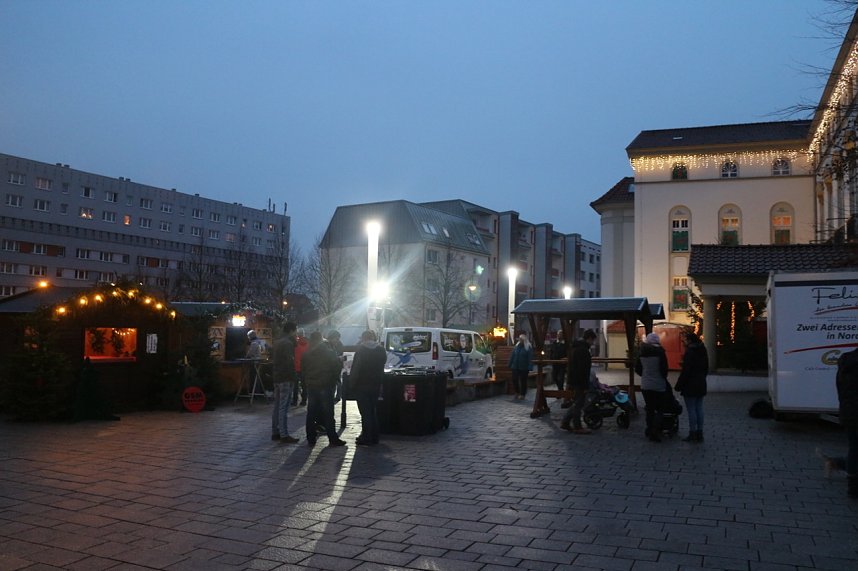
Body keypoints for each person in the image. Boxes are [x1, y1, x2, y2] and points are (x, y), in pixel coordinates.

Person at [819, 348, 858, 498]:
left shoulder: (846, 361)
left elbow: (840, 388)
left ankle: (853, 485)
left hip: (848, 412)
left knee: (854, 447)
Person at [301, 331, 346, 448]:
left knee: (311, 412)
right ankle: (333, 438)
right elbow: (336, 367)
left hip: (311, 385)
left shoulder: (307, 353)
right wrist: (333, 380)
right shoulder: (329, 353)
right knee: (328, 413)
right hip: (325, 385)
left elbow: (303, 370)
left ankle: (310, 438)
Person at [350, 329, 387, 446]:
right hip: (375, 384)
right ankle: (375, 436)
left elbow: (356, 369)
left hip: (362, 384)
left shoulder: (361, 350)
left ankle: (366, 436)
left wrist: (352, 384)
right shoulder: (381, 350)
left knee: (365, 412)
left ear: (363, 338)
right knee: (372, 410)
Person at [560, 329, 597, 435]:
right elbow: (583, 369)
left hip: (574, 379)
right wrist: (585, 384)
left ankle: (566, 422)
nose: (593, 343)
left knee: (577, 402)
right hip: (579, 381)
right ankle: (577, 426)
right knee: (579, 403)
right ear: (589, 338)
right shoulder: (583, 350)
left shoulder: (576, 348)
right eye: (593, 340)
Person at [635, 332, 670, 442]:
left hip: (646, 385)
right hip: (658, 385)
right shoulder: (660, 352)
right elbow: (664, 369)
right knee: (660, 409)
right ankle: (655, 431)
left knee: (649, 409)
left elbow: (638, 369)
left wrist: (646, 375)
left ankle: (649, 429)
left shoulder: (642, 353)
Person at [675, 331, 708, 443]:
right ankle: (700, 433)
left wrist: (679, 385)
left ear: (689, 340)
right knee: (699, 408)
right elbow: (706, 367)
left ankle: (692, 433)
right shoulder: (702, 349)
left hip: (690, 385)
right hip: (701, 383)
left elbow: (686, 371)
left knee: (691, 410)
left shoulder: (690, 351)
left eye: (685, 340)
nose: (684, 342)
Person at [270, 321, 300, 444]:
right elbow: (289, 362)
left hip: (277, 377)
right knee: (284, 406)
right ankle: (284, 433)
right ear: (292, 331)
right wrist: (294, 376)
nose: (296, 333)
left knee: (277, 406)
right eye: (295, 331)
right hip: (285, 378)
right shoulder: (287, 343)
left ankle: (275, 431)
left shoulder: (277, 341)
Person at [508, 334, 533, 400]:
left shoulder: (528, 347)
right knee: (514, 379)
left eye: (521, 339)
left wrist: (530, 367)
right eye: (519, 339)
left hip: (524, 367)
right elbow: (512, 356)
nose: (520, 340)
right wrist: (509, 364)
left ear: (524, 340)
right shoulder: (516, 346)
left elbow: (530, 358)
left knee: (523, 381)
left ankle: (522, 394)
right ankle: (517, 392)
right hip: (515, 366)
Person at [292, 328, 309, 406]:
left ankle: (295, 401)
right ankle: (304, 401)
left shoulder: (295, 343)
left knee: (295, 386)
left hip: (296, 367)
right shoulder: (308, 344)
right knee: (304, 385)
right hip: (305, 367)